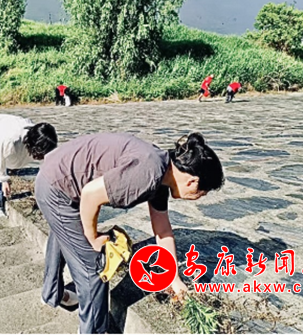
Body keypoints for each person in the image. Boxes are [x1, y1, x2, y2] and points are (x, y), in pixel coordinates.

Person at [35, 132, 224, 334]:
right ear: (193, 182)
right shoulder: (148, 172)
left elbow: (163, 230)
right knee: (95, 265)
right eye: (202, 193)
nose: (197, 198)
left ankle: (52, 294)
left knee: (65, 232)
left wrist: (174, 280)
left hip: (56, 177)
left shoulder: (162, 171)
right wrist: (93, 238)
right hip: (56, 188)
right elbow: (90, 194)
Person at [0, 114, 58, 221]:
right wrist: (3, 180)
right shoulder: (13, 140)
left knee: (3, 173)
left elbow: (46, 165)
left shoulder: (40, 137)